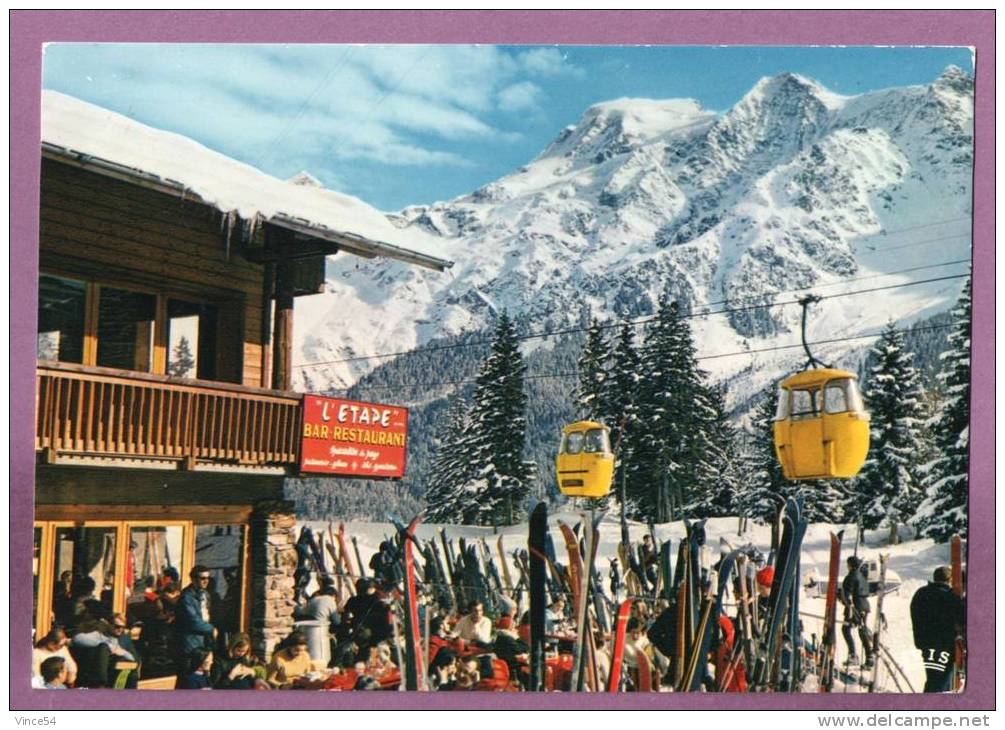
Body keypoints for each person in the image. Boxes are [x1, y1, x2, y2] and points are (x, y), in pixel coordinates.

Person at [910, 566, 965, 693]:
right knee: (940, 682)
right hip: (945, 645)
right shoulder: (950, 597)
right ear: (949, 579)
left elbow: (915, 614)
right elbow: (962, 618)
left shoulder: (920, 593)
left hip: (926, 644)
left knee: (933, 678)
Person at [175, 565, 217, 666]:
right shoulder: (186, 597)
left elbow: (208, 614)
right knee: (189, 673)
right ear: (193, 579)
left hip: (204, 641)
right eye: (202, 578)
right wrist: (212, 629)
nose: (206, 581)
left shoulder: (205, 594)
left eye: (208, 578)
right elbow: (193, 621)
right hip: (191, 642)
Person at [839, 556, 874, 667]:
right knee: (862, 630)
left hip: (855, 606)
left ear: (850, 565)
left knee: (846, 629)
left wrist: (845, 601)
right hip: (865, 605)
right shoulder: (862, 576)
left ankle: (853, 655)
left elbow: (847, 594)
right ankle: (869, 657)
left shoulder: (851, 576)